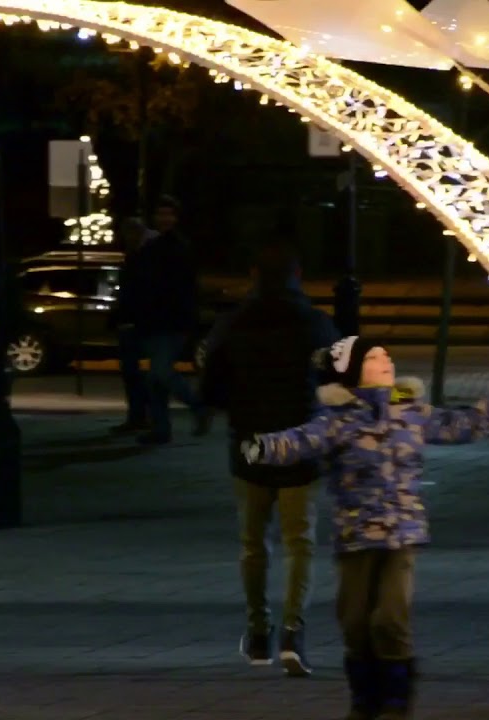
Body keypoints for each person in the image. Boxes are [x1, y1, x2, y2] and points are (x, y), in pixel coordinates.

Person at [241, 336, 489, 720]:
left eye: (387, 355)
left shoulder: (409, 410)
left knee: (389, 619)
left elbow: (465, 423)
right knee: (354, 621)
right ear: (353, 371)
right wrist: (261, 447)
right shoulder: (337, 420)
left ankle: (397, 704)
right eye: (374, 357)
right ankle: (364, 702)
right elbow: (300, 440)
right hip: (356, 535)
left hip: (401, 534)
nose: (386, 361)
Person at [199, 240, 340, 677]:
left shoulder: (233, 323)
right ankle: (293, 634)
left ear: (255, 278)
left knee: (253, 543)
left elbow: (211, 388)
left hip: (250, 444)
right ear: (297, 278)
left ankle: (258, 631)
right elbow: (336, 381)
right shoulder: (316, 324)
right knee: (300, 542)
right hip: (300, 443)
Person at [114, 196, 209, 445]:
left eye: (169, 214)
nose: (164, 219)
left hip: (171, 321)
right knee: (155, 377)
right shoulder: (150, 249)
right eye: (160, 214)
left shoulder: (177, 247)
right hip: (155, 321)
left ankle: (198, 406)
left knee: (160, 372)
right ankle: (161, 428)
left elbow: (179, 287)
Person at [108, 217, 152, 435]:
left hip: (133, 321)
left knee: (133, 372)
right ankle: (141, 415)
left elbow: (133, 292)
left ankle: (140, 416)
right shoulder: (136, 257)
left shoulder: (139, 259)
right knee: (134, 372)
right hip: (132, 320)